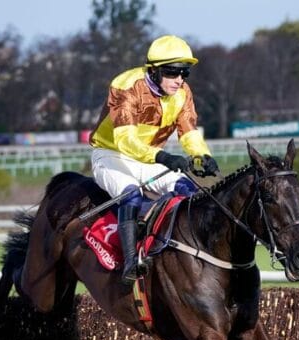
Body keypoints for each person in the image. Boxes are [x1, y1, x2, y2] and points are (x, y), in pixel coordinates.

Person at [89, 34, 220, 284]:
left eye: (184, 72)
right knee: (131, 194)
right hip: (112, 155)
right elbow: (125, 141)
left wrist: (202, 156)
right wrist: (163, 156)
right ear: (154, 70)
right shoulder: (126, 86)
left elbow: (188, 132)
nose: (179, 79)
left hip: (149, 159)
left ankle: (186, 252)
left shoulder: (182, 93)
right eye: (172, 72)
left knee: (188, 189)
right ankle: (130, 263)